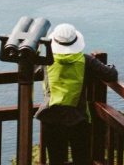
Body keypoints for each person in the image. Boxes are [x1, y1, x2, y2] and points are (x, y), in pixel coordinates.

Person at [34, 23, 117, 165]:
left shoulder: (47, 61)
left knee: (55, 160)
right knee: (81, 159)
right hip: (78, 118)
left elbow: (32, 69)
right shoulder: (85, 60)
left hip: (51, 117)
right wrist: (111, 67)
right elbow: (110, 75)